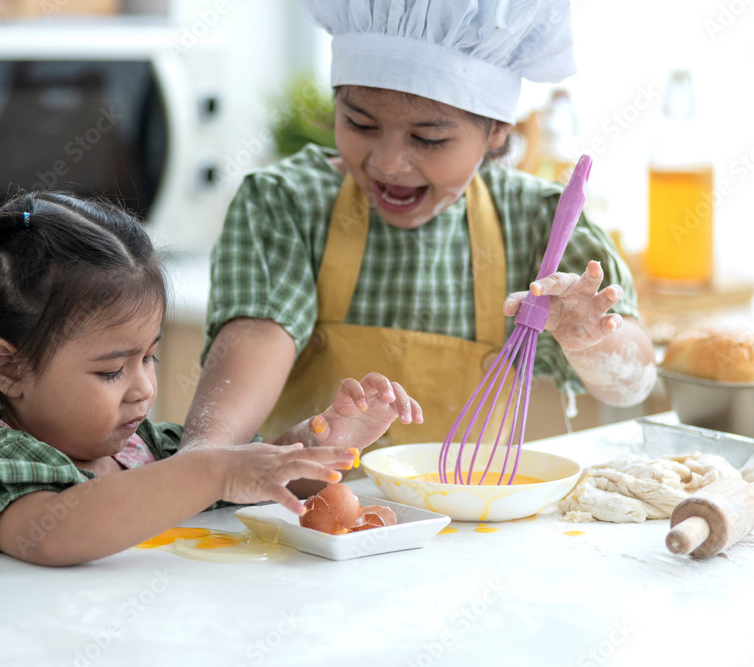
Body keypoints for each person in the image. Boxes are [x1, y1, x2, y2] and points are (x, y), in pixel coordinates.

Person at [181, 0, 656, 453]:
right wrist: (211, 456)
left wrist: (590, 339)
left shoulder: (536, 223)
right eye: (361, 125)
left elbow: (632, 384)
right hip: (304, 522)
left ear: (496, 131)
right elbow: (227, 421)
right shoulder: (288, 204)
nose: (387, 163)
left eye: (427, 138)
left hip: (471, 523)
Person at [0, 191, 421, 566]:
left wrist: (322, 442)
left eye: (149, 359)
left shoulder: (144, 450)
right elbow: (60, 532)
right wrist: (210, 473)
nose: (143, 389)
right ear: (7, 367)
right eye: (111, 370)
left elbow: (248, 485)